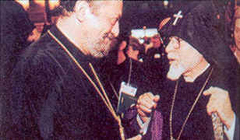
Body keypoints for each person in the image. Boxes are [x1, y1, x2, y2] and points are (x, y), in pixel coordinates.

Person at [4, 1, 125, 139]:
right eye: (113, 20)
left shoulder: (85, 55)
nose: (116, 32)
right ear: (82, 11)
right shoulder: (41, 65)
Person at [124, 1, 239, 140]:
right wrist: (145, 116)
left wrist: (231, 121)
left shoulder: (231, 85)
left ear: (201, 45)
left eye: (177, 41)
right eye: (169, 41)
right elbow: (157, 131)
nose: (167, 49)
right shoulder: (167, 83)